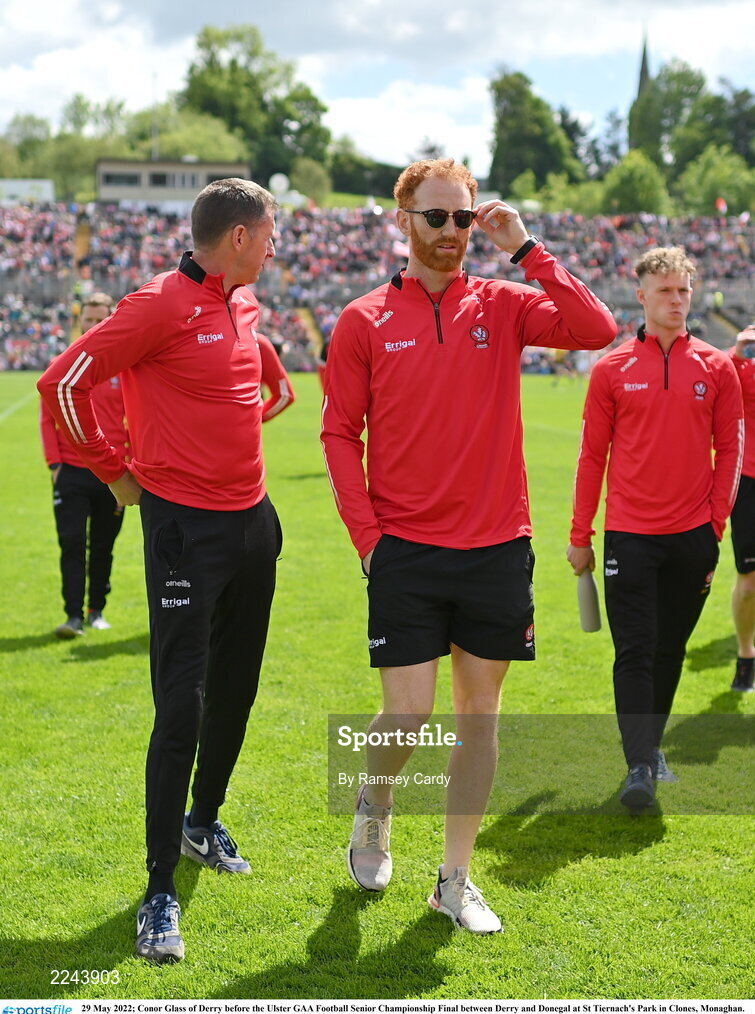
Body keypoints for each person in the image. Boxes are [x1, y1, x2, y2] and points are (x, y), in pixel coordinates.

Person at [320, 157, 617, 934]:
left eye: (463, 218)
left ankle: (453, 879)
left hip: (495, 545)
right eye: (436, 218)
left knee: (478, 715)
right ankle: (374, 801)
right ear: (402, 220)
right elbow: (336, 434)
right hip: (405, 550)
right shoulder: (362, 320)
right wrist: (368, 540)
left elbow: (596, 329)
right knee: (409, 713)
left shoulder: (506, 302)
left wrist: (526, 248)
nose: (451, 234)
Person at [38, 178, 282, 964]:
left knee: (237, 690)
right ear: (239, 235)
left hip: (254, 522)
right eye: (270, 231)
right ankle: (157, 891)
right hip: (183, 530)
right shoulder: (155, 304)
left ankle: (202, 822)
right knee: (182, 704)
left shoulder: (242, 302)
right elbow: (63, 382)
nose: (276, 245)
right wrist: (113, 471)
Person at [567, 247, 744, 810]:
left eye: (683, 291)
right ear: (640, 295)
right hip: (629, 536)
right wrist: (580, 534)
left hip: (694, 537)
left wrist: (715, 523)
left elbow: (731, 451)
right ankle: (639, 765)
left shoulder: (717, 367)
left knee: (670, 649)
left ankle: (650, 748)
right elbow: (591, 456)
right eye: (664, 291)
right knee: (635, 650)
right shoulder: (611, 369)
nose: (676, 300)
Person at [40, 293, 127, 637]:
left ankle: (96, 611)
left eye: (99, 319)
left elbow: (135, 419)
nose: (93, 325)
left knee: (103, 546)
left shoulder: (124, 364)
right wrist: (54, 464)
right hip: (71, 472)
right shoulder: (65, 361)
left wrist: (129, 465)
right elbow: (47, 418)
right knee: (72, 542)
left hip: (112, 474)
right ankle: (73, 616)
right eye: (87, 320)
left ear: (110, 320)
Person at [728, 324, 755, 691]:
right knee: (749, 585)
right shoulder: (745, 361)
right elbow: (722, 374)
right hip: (747, 480)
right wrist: (740, 347)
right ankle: (746, 655)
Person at [257, 331, 295, 422]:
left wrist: (256, 418)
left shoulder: (258, 342)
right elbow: (285, 395)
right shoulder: (257, 341)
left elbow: (285, 395)